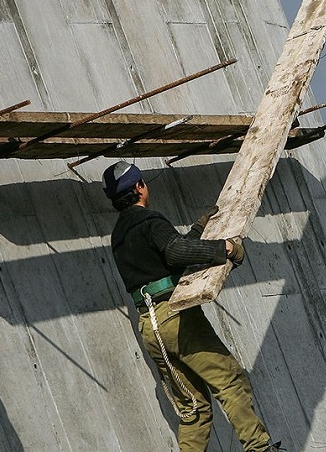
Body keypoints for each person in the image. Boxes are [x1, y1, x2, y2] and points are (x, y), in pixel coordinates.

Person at [102, 161, 279, 452]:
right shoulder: (149, 221)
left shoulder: (120, 234)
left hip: (150, 327)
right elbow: (175, 251)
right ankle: (259, 448)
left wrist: (197, 229)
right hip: (175, 319)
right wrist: (226, 248)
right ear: (139, 187)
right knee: (229, 379)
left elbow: (166, 255)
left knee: (194, 408)